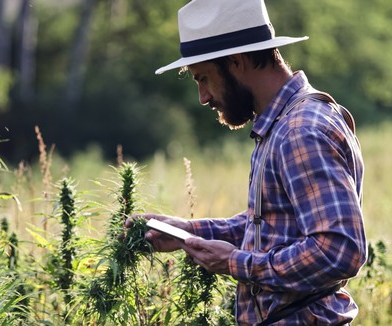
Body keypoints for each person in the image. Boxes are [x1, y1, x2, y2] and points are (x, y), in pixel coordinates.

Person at [126, 0, 367, 325]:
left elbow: (340, 251)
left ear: (236, 62)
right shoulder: (284, 125)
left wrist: (237, 263)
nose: (203, 97)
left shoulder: (300, 131)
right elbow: (275, 228)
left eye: (204, 78)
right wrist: (187, 232)